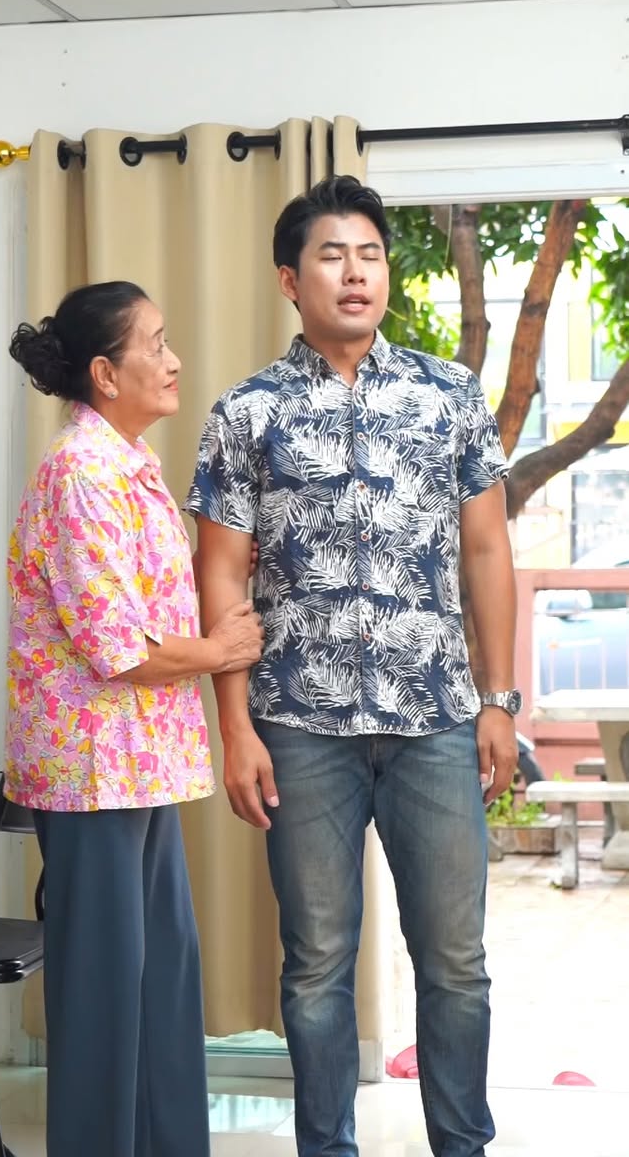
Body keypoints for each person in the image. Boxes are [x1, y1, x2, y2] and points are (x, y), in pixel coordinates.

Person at [186, 177, 520, 1157]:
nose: (355, 272)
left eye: (369, 254)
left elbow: (487, 551)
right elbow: (220, 574)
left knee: (456, 964)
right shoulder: (245, 412)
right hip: (298, 726)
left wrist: (499, 702)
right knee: (316, 966)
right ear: (291, 280)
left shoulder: (449, 395)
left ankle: (463, 1146)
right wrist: (235, 727)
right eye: (331, 255)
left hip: (435, 721)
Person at [5, 281, 264, 1157]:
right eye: (155, 344)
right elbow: (116, 645)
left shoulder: (127, 463)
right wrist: (220, 649)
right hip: (92, 773)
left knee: (160, 985)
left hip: (139, 764)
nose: (174, 360)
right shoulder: (80, 473)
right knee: (106, 996)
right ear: (106, 374)